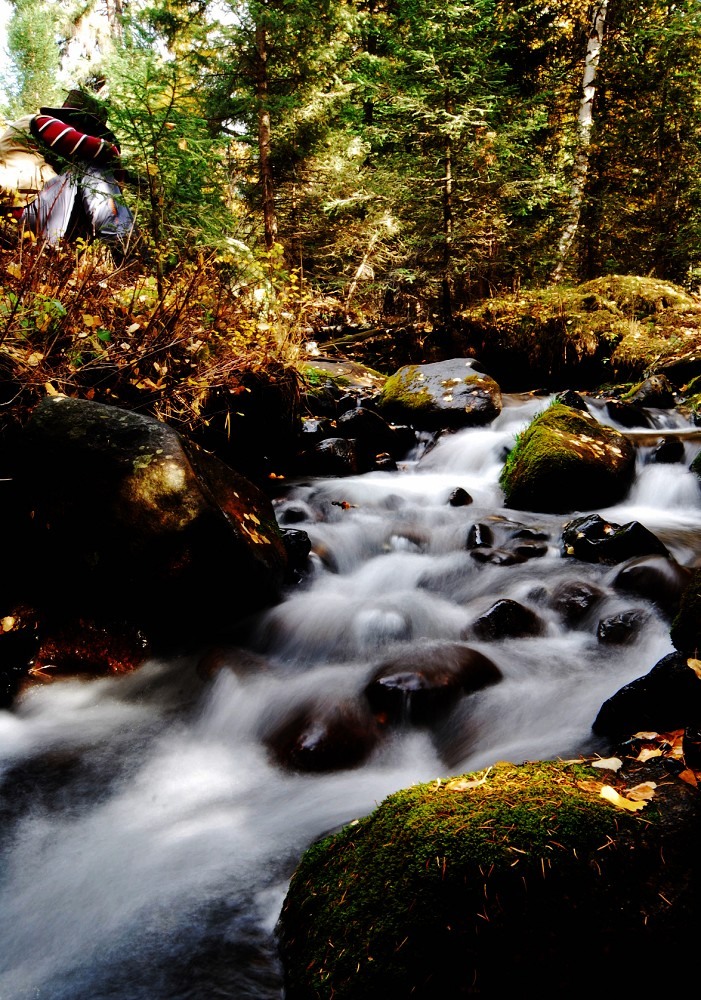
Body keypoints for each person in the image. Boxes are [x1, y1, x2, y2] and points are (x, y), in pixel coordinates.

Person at [0, 87, 135, 256]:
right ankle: (124, 244)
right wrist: (113, 157)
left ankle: (71, 254)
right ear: (77, 120)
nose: (88, 133)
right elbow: (91, 146)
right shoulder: (41, 121)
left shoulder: (55, 160)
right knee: (90, 165)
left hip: (33, 214)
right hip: (18, 209)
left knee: (84, 182)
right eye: (88, 128)